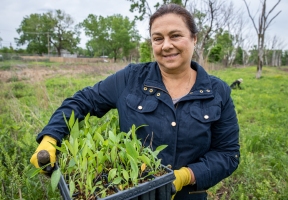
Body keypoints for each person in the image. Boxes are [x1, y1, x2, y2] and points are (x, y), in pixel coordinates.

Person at [30, 3, 240, 200]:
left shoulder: (218, 91)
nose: (166, 45)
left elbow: (227, 154)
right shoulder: (131, 79)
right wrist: (51, 137)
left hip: (188, 195)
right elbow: (83, 100)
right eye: (157, 38)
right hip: (130, 194)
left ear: (194, 38)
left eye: (175, 36)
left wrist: (186, 175)